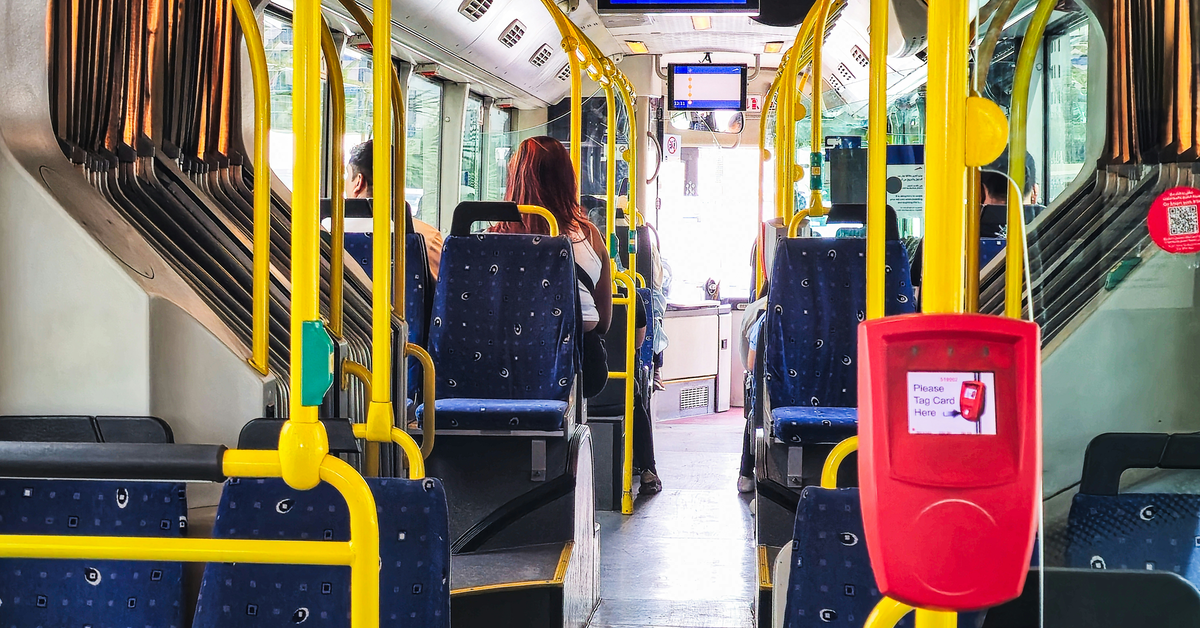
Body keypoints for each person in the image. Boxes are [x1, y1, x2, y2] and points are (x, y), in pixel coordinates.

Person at [491, 136, 614, 335]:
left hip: (509, 347)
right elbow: (603, 323)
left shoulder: (491, 240)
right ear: (567, 180)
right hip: (580, 348)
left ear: (514, 180)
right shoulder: (589, 236)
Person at [910, 149, 1044, 299]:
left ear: (978, 193)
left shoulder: (939, 239)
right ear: (1035, 192)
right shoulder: (1051, 230)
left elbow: (917, 297)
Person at [346, 140, 445, 280]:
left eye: (347, 176)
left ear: (358, 182)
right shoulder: (427, 237)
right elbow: (441, 290)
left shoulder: (328, 230)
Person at [737, 280, 769, 493]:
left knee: (757, 408)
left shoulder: (761, 316)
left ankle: (746, 472)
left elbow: (750, 364)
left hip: (770, 390)